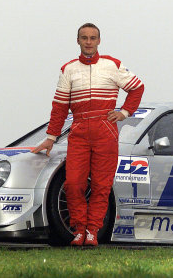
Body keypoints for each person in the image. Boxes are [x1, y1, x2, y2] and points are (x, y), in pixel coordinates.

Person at [31, 23, 144, 246]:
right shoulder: (68, 69)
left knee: (102, 184)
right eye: (84, 38)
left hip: (106, 129)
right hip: (80, 129)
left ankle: (92, 231)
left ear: (99, 41)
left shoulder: (112, 65)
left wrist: (124, 112)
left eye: (93, 38)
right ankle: (79, 229)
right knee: (73, 183)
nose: (89, 42)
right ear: (78, 41)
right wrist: (51, 137)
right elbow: (60, 107)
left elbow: (137, 87)